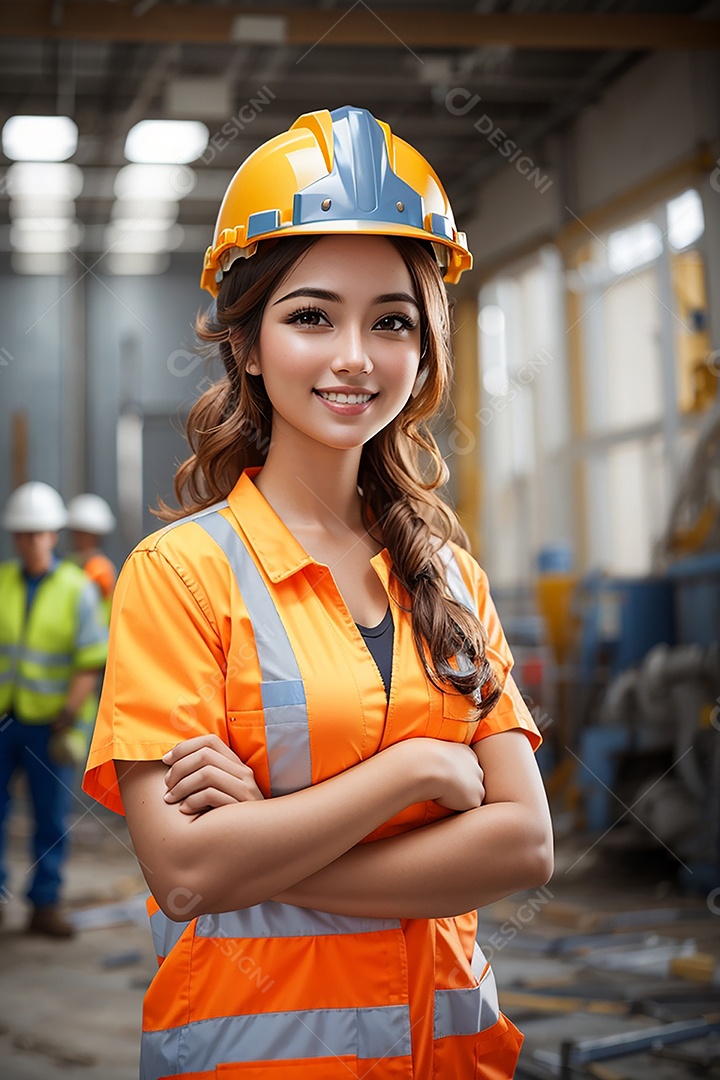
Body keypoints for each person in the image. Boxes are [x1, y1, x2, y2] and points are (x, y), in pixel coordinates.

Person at [83, 106, 553, 1078]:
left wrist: (268, 843)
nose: (355, 355)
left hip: (450, 1058)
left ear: (425, 351)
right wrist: (416, 774)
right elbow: (184, 874)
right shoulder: (180, 577)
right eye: (311, 316)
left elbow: (524, 846)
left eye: (391, 321)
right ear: (247, 345)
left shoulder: (449, 577)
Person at [0, 482, 108, 937]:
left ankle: (45, 902)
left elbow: (90, 656)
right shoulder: (3, 582)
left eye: (39, 533)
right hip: (6, 721)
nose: (31, 541)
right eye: (23, 534)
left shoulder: (77, 589)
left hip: (51, 723)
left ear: (54, 535)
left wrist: (70, 710)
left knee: (51, 817)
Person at [66, 493, 118, 623]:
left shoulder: (100, 569)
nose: (78, 539)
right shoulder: (71, 563)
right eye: (77, 533)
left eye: (83, 534)